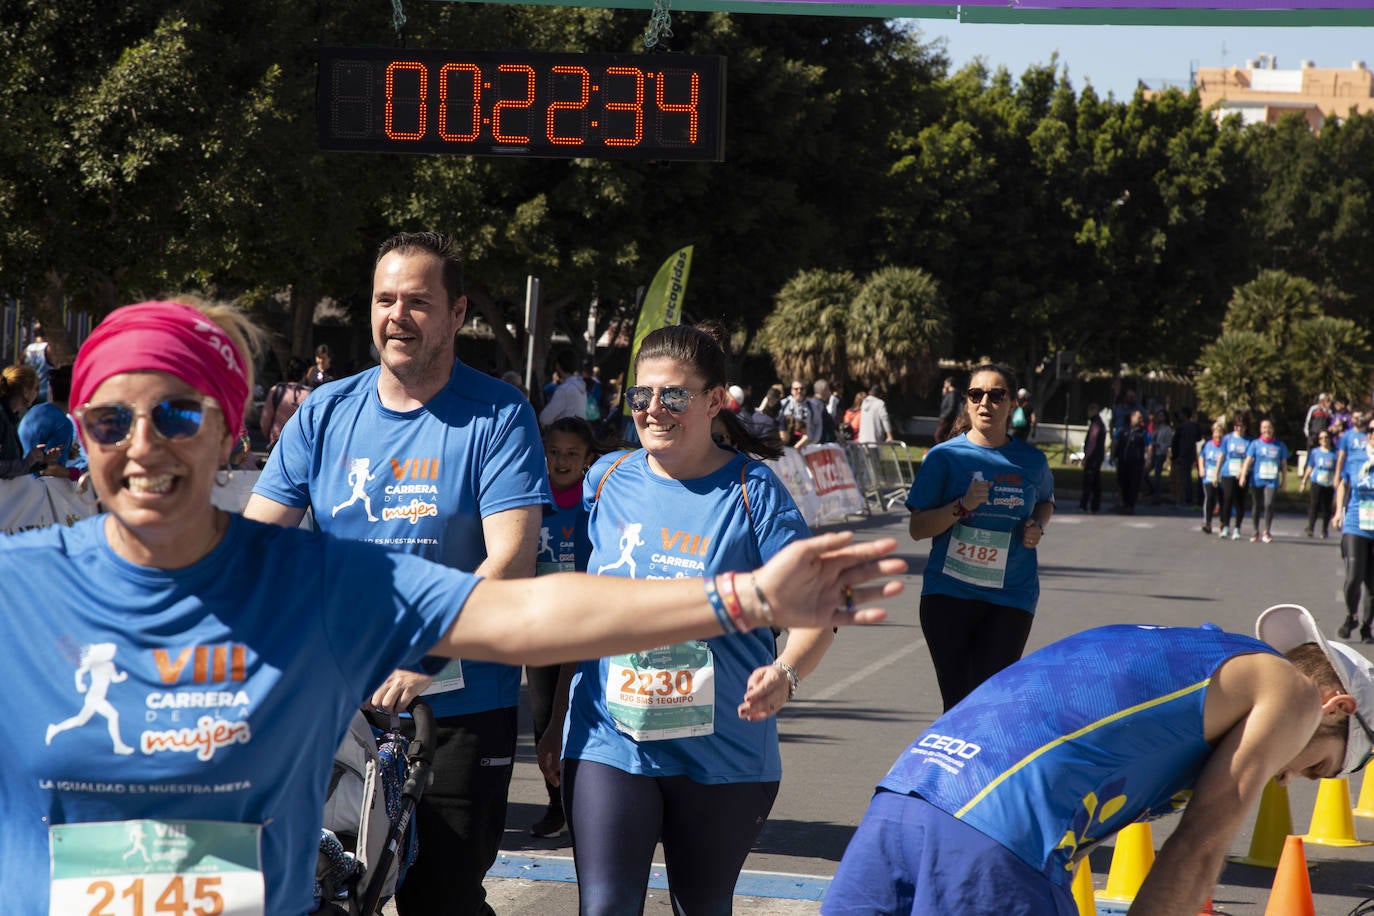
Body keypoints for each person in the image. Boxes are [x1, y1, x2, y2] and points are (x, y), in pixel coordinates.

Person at [0, 297, 903, 915]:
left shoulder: (309, 579)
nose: (144, 444)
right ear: (78, 432)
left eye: (180, 415)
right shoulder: (17, 587)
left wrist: (747, 597)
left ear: (231, 428)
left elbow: (530, 614)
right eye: (110, 421)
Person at [245, 231, 553, 916]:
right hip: (339, 712)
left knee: (440, 899)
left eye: (419, 301)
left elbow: (511, 561)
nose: (398, 316)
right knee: (322, 898)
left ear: (456, 312)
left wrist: (428, 660)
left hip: (459, 706)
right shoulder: (324, 413)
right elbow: (258, 546)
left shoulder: (499, 416)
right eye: (386, 299)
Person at [538, 325, 839, 915]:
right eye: (641, 396)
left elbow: (817, 613)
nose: (654, 409)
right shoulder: (606, 479)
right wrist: (556, 718)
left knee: (700, 906)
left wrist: (785, 674)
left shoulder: (754, 493)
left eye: (673, 396)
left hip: (721, 752)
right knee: (602, 907)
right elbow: (584, 611)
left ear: (713, 401)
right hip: (609, 739)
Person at [823, 604, 1374, 916]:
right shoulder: (1294, 694)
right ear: (1337, 705)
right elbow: (1199, 847)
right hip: (1006, 834)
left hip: (906, 795)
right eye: (1316, 768)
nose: (1287, 778)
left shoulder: (1189, 654)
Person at [906, 364, 1055, 711]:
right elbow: (917, 528)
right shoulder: (945, 457)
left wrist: (1037, 526)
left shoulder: (1031, 462)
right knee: (958, 703)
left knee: (992, 702)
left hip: (1010, 596)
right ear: (967, 402)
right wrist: (961, 506)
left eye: (996, 395)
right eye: (976, 394)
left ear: (1011, 405)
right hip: (949, 593)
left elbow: (1046, 502)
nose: (985, 402)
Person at [526, 416, 603, 839]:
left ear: (588, 459)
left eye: (572, 454)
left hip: (580, 629)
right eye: (554, 452)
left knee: (573, 713)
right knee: (542, 718)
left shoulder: (593, 508)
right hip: (539, 627)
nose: (561, 460)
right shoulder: (531, 501)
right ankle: (555, 804)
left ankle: (584, 801)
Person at [1333, 419, 1374, 642]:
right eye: (1372, 431)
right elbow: (1343, 484)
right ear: (1367, 435)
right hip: (1356, 524)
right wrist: (1339, 511)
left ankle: (1367, 626)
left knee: (1372, 584)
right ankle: (1352, 615)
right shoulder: (1357, 459)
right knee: (1353, 578)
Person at [19, 363, 79, 474]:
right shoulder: (64, 424)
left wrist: (66, 452)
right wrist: (77, 474)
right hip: (34, 486)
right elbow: (51, 470)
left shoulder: (36, 410)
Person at [0, 363, 52, 479]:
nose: (37, 393)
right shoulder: (3, 417)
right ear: (25, 392)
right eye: (36, 388)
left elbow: (12, 469)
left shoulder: (10, 418)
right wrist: (27, 462)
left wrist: (40, 462)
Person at [1242, 417, 1289, 543]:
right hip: (1257, 479)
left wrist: (1284, 480)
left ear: (1273, 429)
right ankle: (1255, 530)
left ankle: (1267, 531)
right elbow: (1248, 460)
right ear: (1260, 430)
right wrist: (1242, 475)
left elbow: (1284, 464)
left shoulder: (1280, 445)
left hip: (1272, 480)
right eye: (1264, 427)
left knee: (1268, 504)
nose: (1266, 430)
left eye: (1269, 427)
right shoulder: (1255, 444)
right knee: (1256, 505)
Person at [258, 357, 314, 449]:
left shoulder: (277, 390)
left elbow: (266, 419)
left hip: (277, 442)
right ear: (303, 374)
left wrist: (269, 436)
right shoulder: (310, 395)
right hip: (301, 445)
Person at [1218, 414, 1252, 540]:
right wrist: (1217, 473)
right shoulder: (1227, 439)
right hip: (1228, 472)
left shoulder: (1250, 441)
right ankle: (1225, 526)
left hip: (1242, 474)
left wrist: (1243, 471)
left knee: (1240, 501)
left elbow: (1250, 458)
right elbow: (1222, 455)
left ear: (1246, 427)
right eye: (1237, 426)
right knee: (1228, 497)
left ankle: (1237, 528)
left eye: (1241, 426)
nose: (1239, 428)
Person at [1301, 428, 1338, 538]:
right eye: (1321, 438)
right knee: (1314, 504)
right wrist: (1304, 481)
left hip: (1329, 483)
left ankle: (1324, 530)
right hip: (1317, 481)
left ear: (1330, 439)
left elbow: (1338, 469)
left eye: (1326, 437)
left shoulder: (1335, 453)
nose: (1324, 440)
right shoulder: (1315, 452)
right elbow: (1310, 466)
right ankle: (1310, 528)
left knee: (1327, 507)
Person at [1111, 407, 1149, 515]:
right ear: (1132, 418)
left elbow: (1149, 445)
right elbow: (1115, 441)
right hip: (1123, 460)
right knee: (1123, 482)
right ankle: (1124, 503)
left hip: (1136, 462)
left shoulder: (1143, 432)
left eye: (1141, 418)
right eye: (1138, 417)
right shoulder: (1123, 430)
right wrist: (1112, 455)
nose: (1140, 420)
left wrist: (1148, 459)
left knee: (1134, 484)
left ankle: (1130, 505)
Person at [540, 350, 588, 426]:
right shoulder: (581, 387)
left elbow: (544, 418)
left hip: (565, 434)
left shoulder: (565, 389)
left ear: (558, 366)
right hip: (579, 434)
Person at [1198, 419, 1227, 534]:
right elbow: (1201, 457)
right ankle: (1207, 523)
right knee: (1209, 498)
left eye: (1220, 433)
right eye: (1216, 432)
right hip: (1209, 477)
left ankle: (1222, 523)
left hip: (1222, 477)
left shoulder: (1225, 446)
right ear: (1212, 433)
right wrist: (1201, 468)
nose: (1218, 435)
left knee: (1222, 500)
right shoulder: (1208, 445)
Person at [1078, 402, 1106, 513]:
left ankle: (1084, 504)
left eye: (1090, 411)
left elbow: (1092, 442)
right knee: (1095, 482)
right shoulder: (1100, 423)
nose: (1088, 413)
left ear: (1094, 411)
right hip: (1098, 456)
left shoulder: (1096, 424)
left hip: (1093, 457)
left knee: (1089, 482)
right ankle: (1095, 505)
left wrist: (1086, 456)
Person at [1172, 405, 1202, 506]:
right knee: (1199, 477)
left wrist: (1175, 455)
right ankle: (1199, 499)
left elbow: (1175, 442)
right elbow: (1198, 438)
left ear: (1184, 415)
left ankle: (1188, 499)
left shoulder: (1181, 427)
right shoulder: (1195, 426)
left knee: (1186, 478)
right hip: (1194, 453)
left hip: (1184, 454)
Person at [23, 321, 53, 403]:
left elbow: (19, 364)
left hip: (30, 390)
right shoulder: (48, 348)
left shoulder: (28, 349)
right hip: (45, 390)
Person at [1148, 408, 1173, 502]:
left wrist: (1160, 445)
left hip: (1160, 452)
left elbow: (1168, 442)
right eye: (1158, 416)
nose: (1160, 418)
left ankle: (1156, 495)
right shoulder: (1156, 427)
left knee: (1157, 474)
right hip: (1153, 452)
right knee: (1145, 473)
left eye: (1162, 416)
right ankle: (1152, 489)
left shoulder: (1167, 429)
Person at [780, 379, 814, 448]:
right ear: (791, 390)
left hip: (806, 447)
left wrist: (815, 441)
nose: (799, 391)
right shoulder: (783, 404)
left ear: (805, 390)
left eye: (802, 389)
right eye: (796, 389)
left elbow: (818, 423)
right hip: (787, 446)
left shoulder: (812, 406)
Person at [934, 376, 959, 444]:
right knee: (946, 436)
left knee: (938, 435)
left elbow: (951, 407)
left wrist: (944, 416)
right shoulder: (950, 393)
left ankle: (941, 449)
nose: (944, 384)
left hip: (947, 418)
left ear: (949, 383)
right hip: (946, 417)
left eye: (945, 383)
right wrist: (944, 394)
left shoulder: (953, 394)